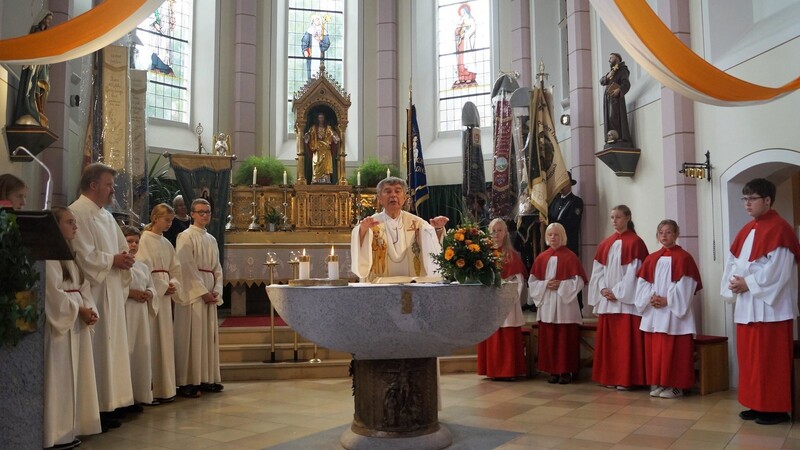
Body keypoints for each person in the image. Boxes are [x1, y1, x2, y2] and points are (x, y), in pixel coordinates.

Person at [721, 178, 800, 425]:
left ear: (767, 200)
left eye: (752, 198)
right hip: (747, 306)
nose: (747, 203)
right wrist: (734, 283)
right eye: (744, 198)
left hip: (770, 308)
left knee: (770, 359)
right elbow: (733, 263)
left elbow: (780, 270)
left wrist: (748, 284)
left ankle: (775, 409)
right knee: (750, 359)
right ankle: (756, 403)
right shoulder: (747, 230)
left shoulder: (781, 229)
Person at [69, 162, 136, 429]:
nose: (113, 190)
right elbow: (82, 254)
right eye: (109, 184)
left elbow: (122, 248)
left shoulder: (106, 215)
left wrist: (126, 260)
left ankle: (113, 402)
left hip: (112, 289)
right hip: (95, 291)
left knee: (113, 348)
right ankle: (97, 407)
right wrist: (113, 260)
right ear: (93, 185)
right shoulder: (78, 212)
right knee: (99, 350)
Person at [43, 206, 101, 449]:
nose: (75, 226)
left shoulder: (71, 253)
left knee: (76, 376)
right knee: (60, 379)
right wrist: (79, 310)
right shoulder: (48, 254)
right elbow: (52, 292)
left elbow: (83, 286)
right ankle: (55, 433)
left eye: (75, 222)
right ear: (56, 226)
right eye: (69, 222)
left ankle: (70, 429)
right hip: (62, 326)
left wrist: (90, 308)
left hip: (77, 319)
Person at [635, 220, 702, 399]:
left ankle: (677, 386)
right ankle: (661, 382)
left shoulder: (684, 258)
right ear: (657, 236)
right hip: (655, 312)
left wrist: (668, 300)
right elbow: (643, 283)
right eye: (661, 232)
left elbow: (687, 285)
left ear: (676, 234)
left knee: (675, 350)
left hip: (674, 314)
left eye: (669, 232)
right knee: (658, 351)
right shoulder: (651, 258)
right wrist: (652, 299)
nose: (664, 235)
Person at [588, 204, 649, 390]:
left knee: (625, 343)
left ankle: (626, 378)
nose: (614, 221)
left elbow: (634, 272)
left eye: (618, 217)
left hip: (625, 302)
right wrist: (603, 289)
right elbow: (598, 271)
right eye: (612, 217)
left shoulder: (635, 242)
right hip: (608, 300)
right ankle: (611, 376)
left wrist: (618, 292)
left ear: (628, 218)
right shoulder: (605, 243)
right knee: (611, 344)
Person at [350, 176, 448, 281]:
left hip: (412, 284)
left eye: (397, 191)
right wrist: (363, 230)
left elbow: (433, 246)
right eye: (388, 191)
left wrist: (437, 229)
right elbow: (359, 246)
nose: (393, 195)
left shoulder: (418, 223)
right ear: (379, 199)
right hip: (379, 285)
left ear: (405, 198)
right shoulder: (371, 223)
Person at [175, 198, 224, 398]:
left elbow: (217, 268)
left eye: (208, 212)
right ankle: (187, 381)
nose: (204, 215)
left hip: (209, 290)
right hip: (194, 294)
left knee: (207, 337)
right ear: (192, 214)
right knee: (191, 337)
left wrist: (217, 290)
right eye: (200, 212)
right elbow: (185, 266)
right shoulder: (185, 236)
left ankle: (206, 378)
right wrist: (202, 292)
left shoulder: (211, 239)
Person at [528, 223, 587, 384]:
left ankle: (566, 371)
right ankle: (552, 370)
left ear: (562, 236)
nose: (553, 237)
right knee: (550, 338)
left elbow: (579, 281)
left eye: (556, 234)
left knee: (565, 338)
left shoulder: (570, 256)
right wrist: (546, 284)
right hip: (547, 302)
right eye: (550, 235)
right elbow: (533, 282)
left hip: (564, 304)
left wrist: (561, 285)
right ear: (546, 237)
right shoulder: (542, 257)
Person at [137, 203, 181, 403]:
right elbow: (143, 269)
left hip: (164, 295)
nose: (170, 224)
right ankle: (152, 389)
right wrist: (163, 286)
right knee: (154, 339)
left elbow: (175, 268)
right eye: (166, 220)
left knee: (165, 340)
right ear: (155, 218)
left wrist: (172, 283)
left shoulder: (166, 242)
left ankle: (166, 388)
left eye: (171, 220)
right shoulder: (144, 239)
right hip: (153, 294)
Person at [477, 218, 527, 381]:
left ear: (505, 233)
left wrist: (505, 291)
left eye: (499, 230)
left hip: (507, 303)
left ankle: (508, 370)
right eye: (493, 230)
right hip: (488, 301)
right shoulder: (483, 255)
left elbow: (518, 280)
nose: (496, 234)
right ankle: (492, 370)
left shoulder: (512, 256)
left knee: (507, 335)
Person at [120, 225, 157, 407]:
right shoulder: (119, 266)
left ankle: (139, 394)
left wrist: (149, 293)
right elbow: (114, 287)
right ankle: (125, 398)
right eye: (129, 241)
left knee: (140, 352)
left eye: (136, 241)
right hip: (126, 312)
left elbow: (150, 285)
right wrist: (129, 293)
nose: (133, 245)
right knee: (126, 352)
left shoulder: (142, 265)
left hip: (140, 313)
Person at [548, 171, 584, 311]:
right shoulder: (555, 202)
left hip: (569, 245)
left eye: (564, 181)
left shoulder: (576, 201)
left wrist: (553, 222)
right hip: (554, 247)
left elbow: (572, 223)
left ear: (570, 183)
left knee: (572, 277)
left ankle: (577, 306)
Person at [14, 11, 53, 127]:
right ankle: (31, 107)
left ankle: (39, 110)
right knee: (34, 85)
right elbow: (31, 45)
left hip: (43, 63)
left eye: (50, 21)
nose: (49, 22)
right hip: (34, 62)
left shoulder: (47, 33)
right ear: (42, 18)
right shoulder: (36, 30)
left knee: (44, 87)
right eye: (48, 19)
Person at [599, 53, 632, 145]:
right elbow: (601, 81)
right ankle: (611, 137)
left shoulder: (622, 70)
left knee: (614, 117)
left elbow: (626, 84)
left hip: (616, 100)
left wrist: (619, 90)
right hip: (608, 99)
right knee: (609, 119)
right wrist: (607, 76)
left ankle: (619, 137)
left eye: (611, 58)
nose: (609, 60)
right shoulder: (612, 71)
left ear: (617, 58)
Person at [303, 112, 339, 184]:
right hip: (317, 149)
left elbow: (334, 136)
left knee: (326, 166)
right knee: (316, 164)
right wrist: (307, 136)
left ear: (324, 118)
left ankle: (325, 179)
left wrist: (335, 138)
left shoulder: (328, 128)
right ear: (317, 119)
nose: (321, 119)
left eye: (322, 118)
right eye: (319, 118)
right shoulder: (313, 128)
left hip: (326, 150)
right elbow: (308, 135)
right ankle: (316, 179)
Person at [301, 14, 331, 80]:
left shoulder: (324, 32)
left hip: (320, 55)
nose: (317, 21)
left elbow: (327, 44)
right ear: (313, 21)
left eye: (318, 19)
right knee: (311, 73)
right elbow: (304, 41)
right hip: (311, 55)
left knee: (320, 71)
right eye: (316, 19)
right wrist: (304, 50)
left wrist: (320, 41)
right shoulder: (309, 31)